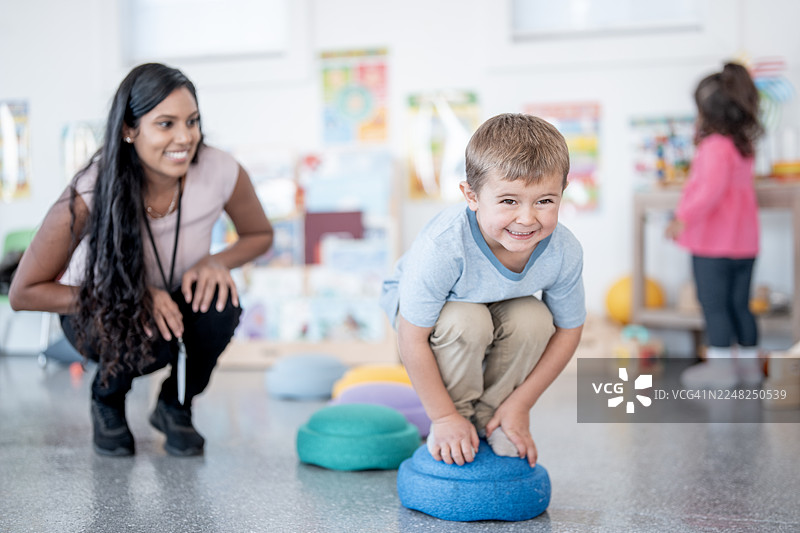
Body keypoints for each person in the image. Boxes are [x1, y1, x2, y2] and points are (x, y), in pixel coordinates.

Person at [9, 63, 273, 457]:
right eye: (166, 124)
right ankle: (107, 399)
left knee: (221, 303)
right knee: (137, 321)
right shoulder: (90, 189)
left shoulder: (220, 169)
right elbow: (24, 293)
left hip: (176, 298)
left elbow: (260, 234)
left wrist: (216, 262)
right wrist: (129, 296)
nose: (185, 137)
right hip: (99, 311)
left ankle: (174, 405)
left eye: (193, 121)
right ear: (129, 130)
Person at [380, 113, 585, 467]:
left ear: (562, 192)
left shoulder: (563, 250)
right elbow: (412, 337)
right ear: (471, 196)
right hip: (428, 320)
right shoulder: (443, 246)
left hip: (499, 305)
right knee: (467, 320)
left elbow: (569, 330)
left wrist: (521, 404)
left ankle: (491, 418)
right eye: (509, 201)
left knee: (534, 318)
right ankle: (455, 419)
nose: (527, 218)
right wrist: (443, 417)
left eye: (545, 201)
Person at [665, 62, 764, 389]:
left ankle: (721, 369)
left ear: (707, 111)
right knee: (740, 306)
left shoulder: (713, 147)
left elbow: (707, 192)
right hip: (744, 245)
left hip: (713, 244)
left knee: (714, 306)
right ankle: (749, 368)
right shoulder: (742, 147)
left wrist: (681, 219)